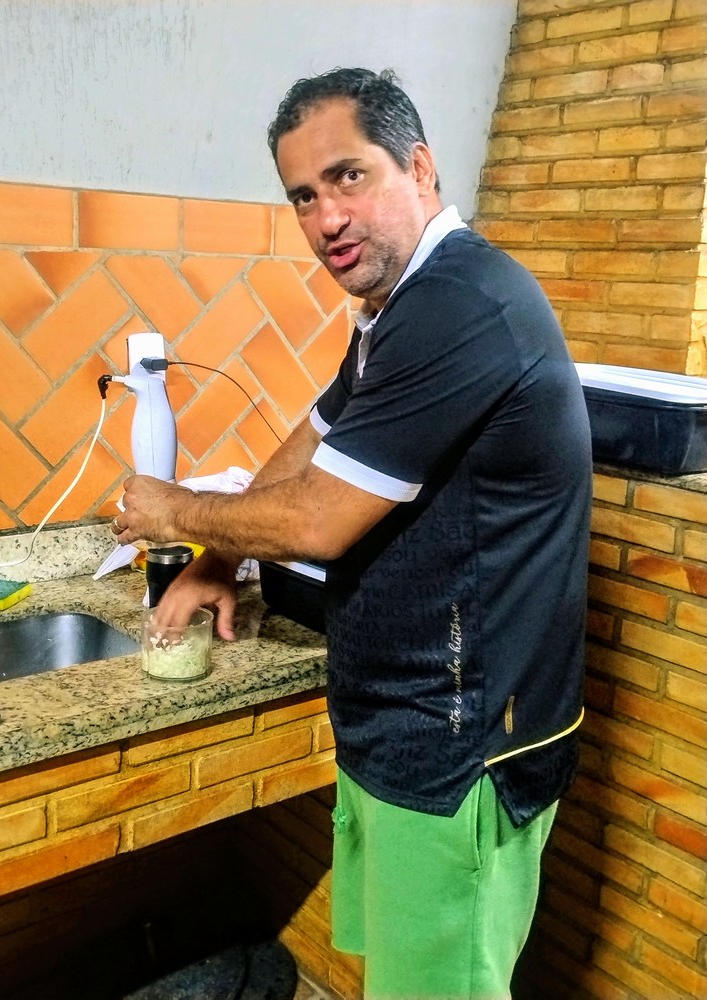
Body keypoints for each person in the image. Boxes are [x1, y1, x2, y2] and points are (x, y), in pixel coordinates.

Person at [113, 68, 592, 999]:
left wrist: (173, 510)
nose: (325, 217)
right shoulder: (397, 308)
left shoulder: (461, 303)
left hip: (464, 747)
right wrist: (220, 557)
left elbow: (319, 519)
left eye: (347, 176)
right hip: (402, 721)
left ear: (419, 167)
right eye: (302, 195)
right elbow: (318, 434)